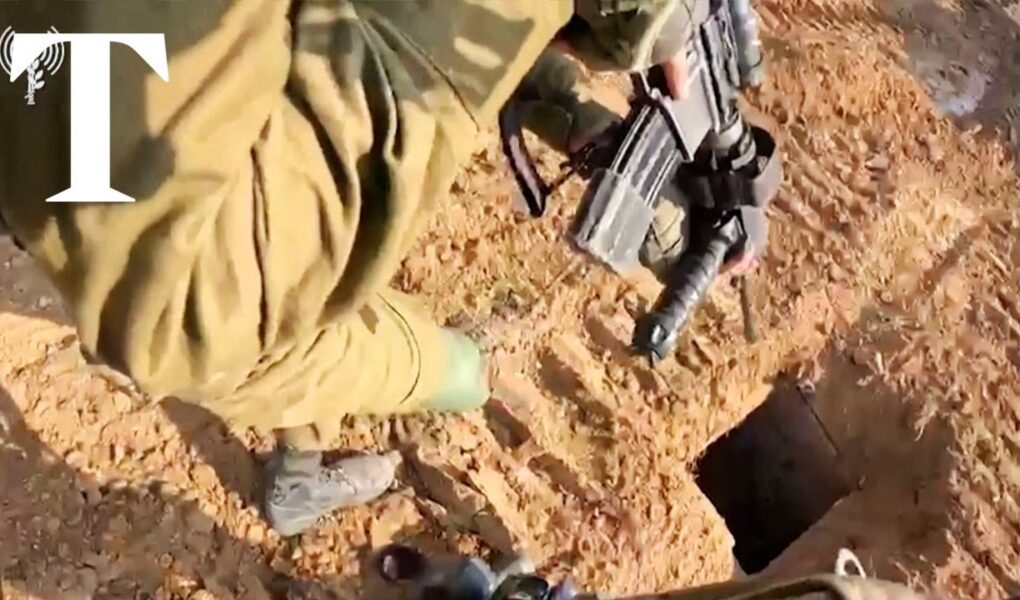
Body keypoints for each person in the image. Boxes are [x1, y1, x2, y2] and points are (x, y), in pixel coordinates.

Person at [0, 0, 760, 537]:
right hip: (150, 191)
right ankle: (314, 464)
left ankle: (303, 468)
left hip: (155, 121)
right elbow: (188, 306)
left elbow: (347, 29)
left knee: (309, 267)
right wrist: (439, 368)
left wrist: (576, 114)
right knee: (309, 313)